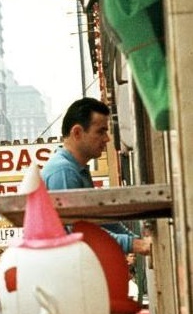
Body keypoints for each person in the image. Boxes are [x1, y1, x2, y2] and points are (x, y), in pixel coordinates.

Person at [41, 97, 152, 255]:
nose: (107, 138)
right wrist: (135, 244)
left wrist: (137, 241)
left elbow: (100, 220)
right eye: (101, 131)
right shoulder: (63, 172)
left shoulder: (76, 168)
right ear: (77, 132)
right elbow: (79, 233)